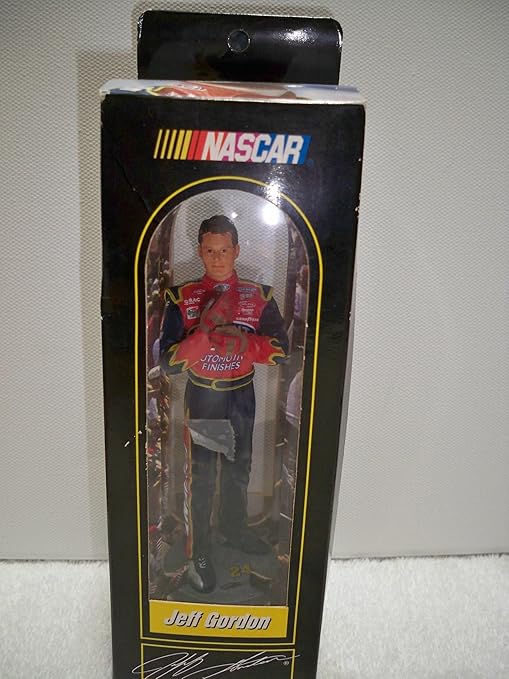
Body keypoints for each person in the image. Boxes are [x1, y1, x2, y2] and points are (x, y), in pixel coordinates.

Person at [160, 215, 288, 593]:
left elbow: (281, 350)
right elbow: (167, 362)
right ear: (200, 251)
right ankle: (198, 550)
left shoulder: (257, 296)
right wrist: (202, 335)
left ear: (237, 250)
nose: (217, 258)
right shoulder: (183, 298)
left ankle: (234, 529)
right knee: (201, 477)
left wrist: (247, 344)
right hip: (205, 397)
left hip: (241, 395)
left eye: (224, 250)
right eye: (210, 251)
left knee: (238, 469)